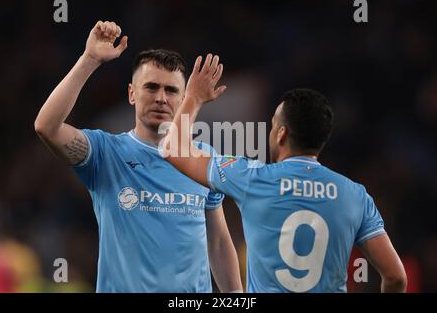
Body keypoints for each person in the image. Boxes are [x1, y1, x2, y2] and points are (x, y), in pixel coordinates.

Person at [163, 54, 408, 292]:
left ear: (281, 134)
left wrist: (193, 98)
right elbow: (396, 277)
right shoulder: (355, 195)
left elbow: (172, 148)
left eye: (272, 126)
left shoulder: (251, 178)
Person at [34, 21, 242, 293]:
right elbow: (46, 127)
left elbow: (216, 239)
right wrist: (90, 59)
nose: (161, 98)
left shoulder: (203, 157)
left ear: (182, 99)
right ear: (132, 93)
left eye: (171, 90)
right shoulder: (105, 153)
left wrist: (236, 296)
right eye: (151, 87)